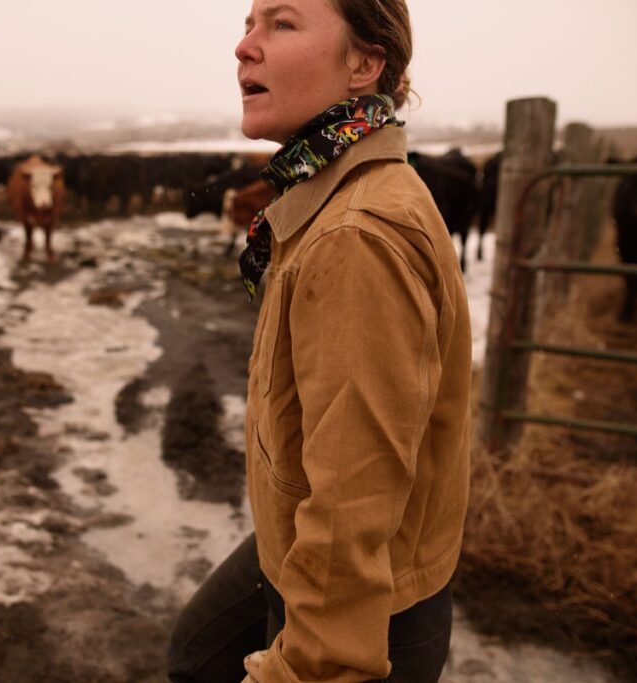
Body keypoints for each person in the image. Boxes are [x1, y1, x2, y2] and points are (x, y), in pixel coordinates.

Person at [168, 0, 472, 681]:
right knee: (196, 652)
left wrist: (310, 668)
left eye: (282, 23)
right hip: (300, 534)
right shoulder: (334, 191)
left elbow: (353, 502)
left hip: (363, 595)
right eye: (248, 24)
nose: (244, 46)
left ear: (364, 64)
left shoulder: (354, 237)